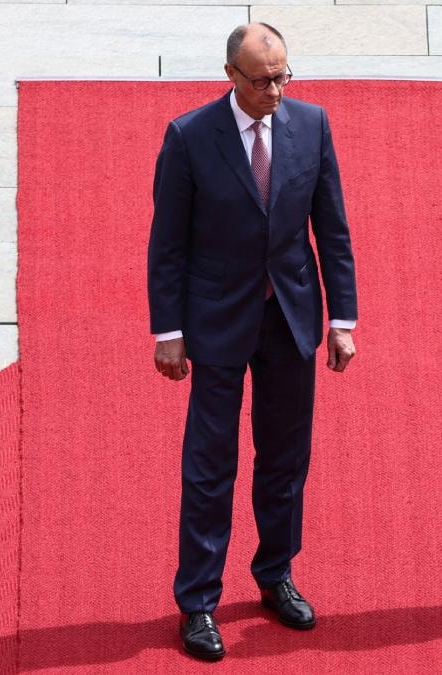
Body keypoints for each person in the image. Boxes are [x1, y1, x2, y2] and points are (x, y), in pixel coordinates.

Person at [147, 22, 358, 661]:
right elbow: (167, 243)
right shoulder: (189, 137)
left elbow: (332, 229)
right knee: (210, 466)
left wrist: (343, 320)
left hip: (290, 317)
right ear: (231, 76)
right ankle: (198, 602)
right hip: (216, 321)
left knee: (286, 457)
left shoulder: (311, 125)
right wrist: (169, 331)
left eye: (283, 76)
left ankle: (275, 574)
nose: (276, 89)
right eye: (263, 80)